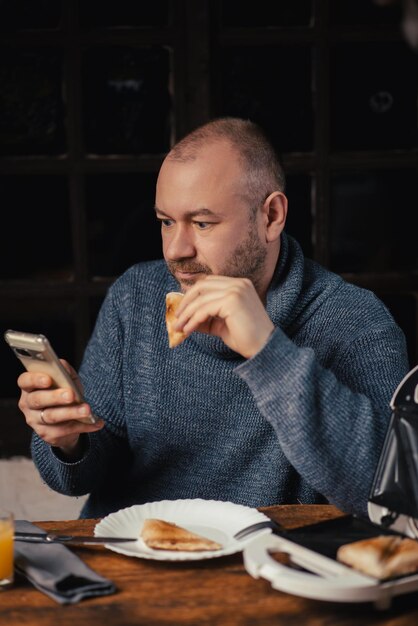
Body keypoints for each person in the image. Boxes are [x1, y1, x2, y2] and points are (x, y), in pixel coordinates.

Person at [17, 117, 409, 519]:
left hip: (261, 568)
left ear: (271, 216)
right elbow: (78, 477)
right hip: (131, 557)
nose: (175, 250)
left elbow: (392, 496)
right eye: (166, 222)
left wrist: (267, 350)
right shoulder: (135, 296)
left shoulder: (354, 321)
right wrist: (68, 443)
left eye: (202, 223)